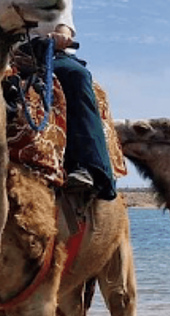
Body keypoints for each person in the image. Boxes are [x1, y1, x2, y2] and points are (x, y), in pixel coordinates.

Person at [31, 1, 116, 201]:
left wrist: (61, 35)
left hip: (49, 53)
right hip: (10, 55)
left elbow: (63, 21)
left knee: (75, 75)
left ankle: (87, 167)